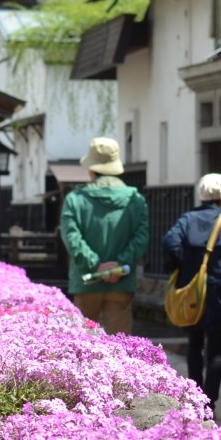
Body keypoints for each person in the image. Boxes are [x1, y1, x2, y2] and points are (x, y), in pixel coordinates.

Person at [162, 172, 221, 414]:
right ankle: (209, 402)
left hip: (194, 295)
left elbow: (169, 242)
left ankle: (195, 397)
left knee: (194, 345)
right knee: (217, 350)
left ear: (201, 197)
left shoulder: (187, 220)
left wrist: (180, 268)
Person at [59, 136, 148, 333]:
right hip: (121, 282)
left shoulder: (74, 200)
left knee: (83, 349)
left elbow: (72, 239)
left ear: (91, 169)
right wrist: (117, 267)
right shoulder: (136, 200)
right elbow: (141, 239)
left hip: (87, 281)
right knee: (120, 347)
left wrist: (96, 265)